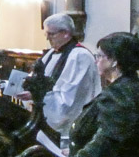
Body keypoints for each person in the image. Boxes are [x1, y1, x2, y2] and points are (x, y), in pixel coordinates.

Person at [26, 13, 102, 148]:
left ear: (66, 33)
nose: (47, 38)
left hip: (68, 132)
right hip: (44, 125)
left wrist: (36, 96)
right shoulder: (51, 54)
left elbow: (70, 100)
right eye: (46, 34)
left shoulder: (80, 57)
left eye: (51, 34)